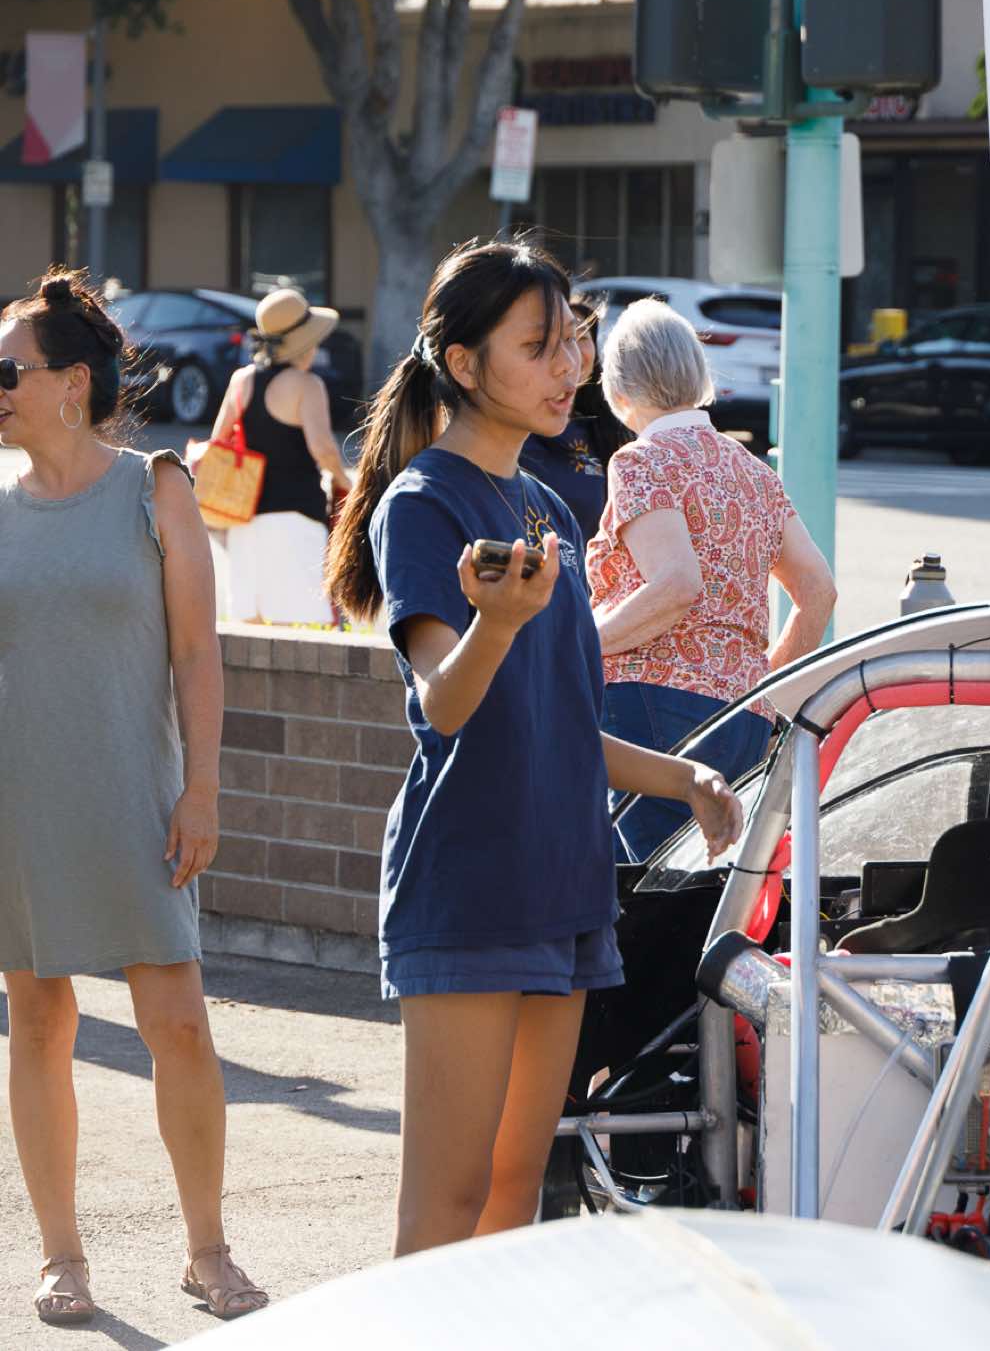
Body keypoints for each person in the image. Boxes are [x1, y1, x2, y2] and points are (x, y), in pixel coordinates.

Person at [322, 240, 744, 1256]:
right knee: (448, 1199)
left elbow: (560, 720)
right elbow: (446, 704)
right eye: (539, 346)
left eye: (575, 342)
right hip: (471, 882)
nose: (570, 368)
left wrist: (685, 776)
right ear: (464, 364)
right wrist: (497, 623)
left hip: (568, 883)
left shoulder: (548, 506)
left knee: (518, 1191)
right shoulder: (423, 501)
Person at [0, 270, 267, 1322]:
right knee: (37, 1022)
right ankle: (61, 1256)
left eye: (7, 372)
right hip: (19, 800)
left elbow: (198, 653)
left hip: (137, 791)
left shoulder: (154, 488)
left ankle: (208, 1251)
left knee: (179, 1024)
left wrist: (201, 788)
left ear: (71, 382)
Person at [589, 299, 836, 862]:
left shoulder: (640, 460)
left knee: (647, 888)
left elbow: (677, 585)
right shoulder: (753, 471)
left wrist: (579, 641)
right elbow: (819, 592)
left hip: (649, 703)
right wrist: (760, 687)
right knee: (709, 883)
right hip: (742, 715)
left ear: (618, 388)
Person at [204, 286, 352, 624]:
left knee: (252, 634)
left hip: (245, 522)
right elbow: (323, 449)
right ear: (304, 342)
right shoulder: (307, 386)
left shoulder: (241, 381)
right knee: (301, 632)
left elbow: (218, 444)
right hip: (296, 520)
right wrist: (346, 482)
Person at [518, 292, 630, 541]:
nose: (572, 354)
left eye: (580, 338)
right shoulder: (515, 428)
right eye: (560, 339)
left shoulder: (610, 430)